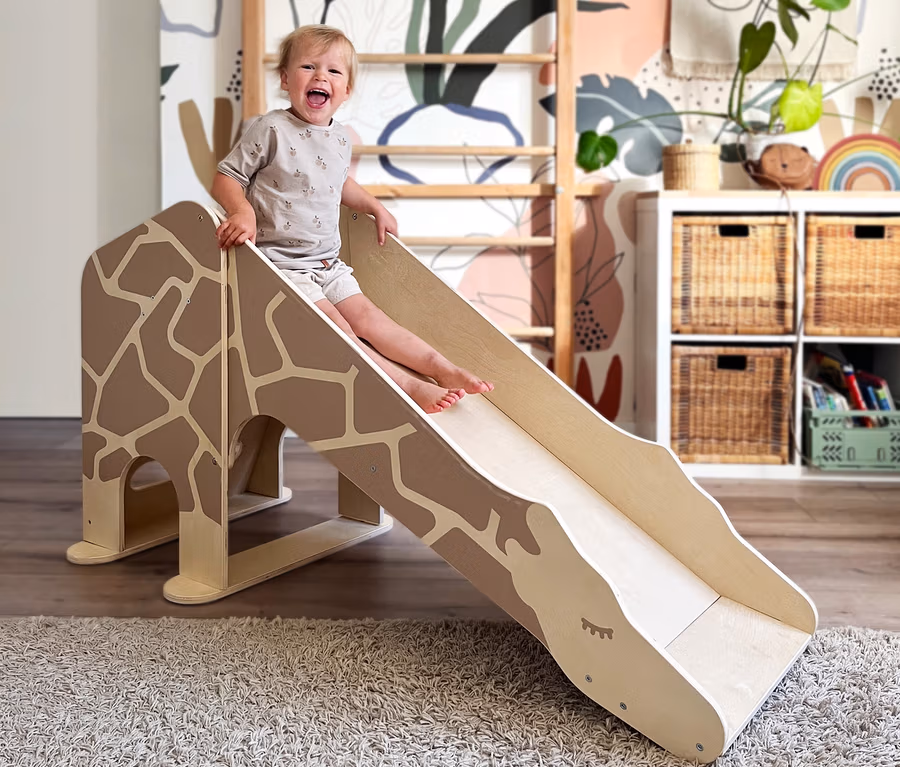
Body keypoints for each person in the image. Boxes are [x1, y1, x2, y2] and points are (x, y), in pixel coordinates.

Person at [212, 24, 493, 414]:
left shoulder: (340, 137)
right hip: (281, 267)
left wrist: (374, 205)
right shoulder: (271, 128)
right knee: (339, 328)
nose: (320, 77)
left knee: (371, 319)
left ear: (345, 90)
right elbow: (227, 177)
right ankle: (406, 385)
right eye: (308, 67)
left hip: (328, 264)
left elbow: (339, 181)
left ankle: (440, 367)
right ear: (285, 79)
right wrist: (241, 211)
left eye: (333, 71)